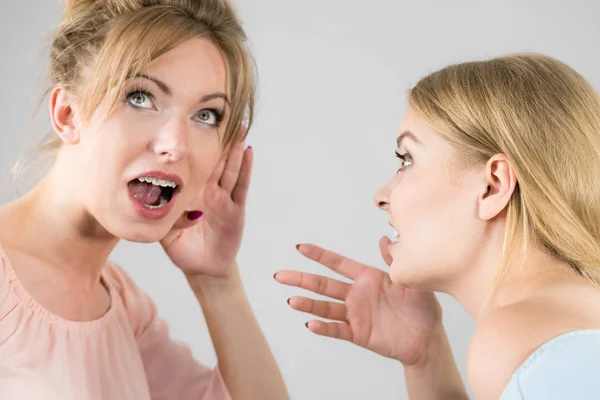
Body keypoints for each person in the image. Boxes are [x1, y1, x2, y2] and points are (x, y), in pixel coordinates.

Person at [0, 0, 289, 399]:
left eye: (206, 115)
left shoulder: (123, 308)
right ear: (67, 113)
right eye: (140, 97)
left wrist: (217, 283)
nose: (176, 145)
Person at [276, 53, 600, 399]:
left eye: (407, 159)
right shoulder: (570, 317)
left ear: (492, 185)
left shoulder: (518, 336)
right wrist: (425, 356)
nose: (381, 196)